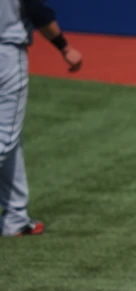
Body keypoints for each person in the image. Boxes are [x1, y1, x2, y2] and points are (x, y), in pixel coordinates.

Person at [0, 0, 82, 237]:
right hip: (6, 54)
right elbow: (37, 11)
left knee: (11, 139)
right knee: (5, 137)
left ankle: (15, 217)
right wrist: (65, 48)